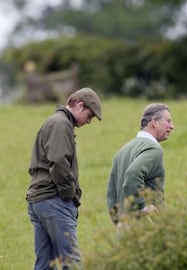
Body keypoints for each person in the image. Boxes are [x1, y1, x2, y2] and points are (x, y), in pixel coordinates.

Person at [26, 87, 102, 269]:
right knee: (72, 261)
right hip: (54, 200)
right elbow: (59, 163)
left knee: (45, 263)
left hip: (39, 200)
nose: (89, 122)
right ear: (80, 106)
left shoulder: (56, 122)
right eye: (89, 116)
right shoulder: (61, 124)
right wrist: (69, 194)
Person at [106, 103, 174, 226]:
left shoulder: (123, 150)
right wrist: (143, 208)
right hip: (144, 228)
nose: (172, 126)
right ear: (155, 122)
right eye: (168, 121)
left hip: (123, 226)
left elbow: (111, 193)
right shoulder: (154, 149)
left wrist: (119, 221)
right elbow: (132, 175)